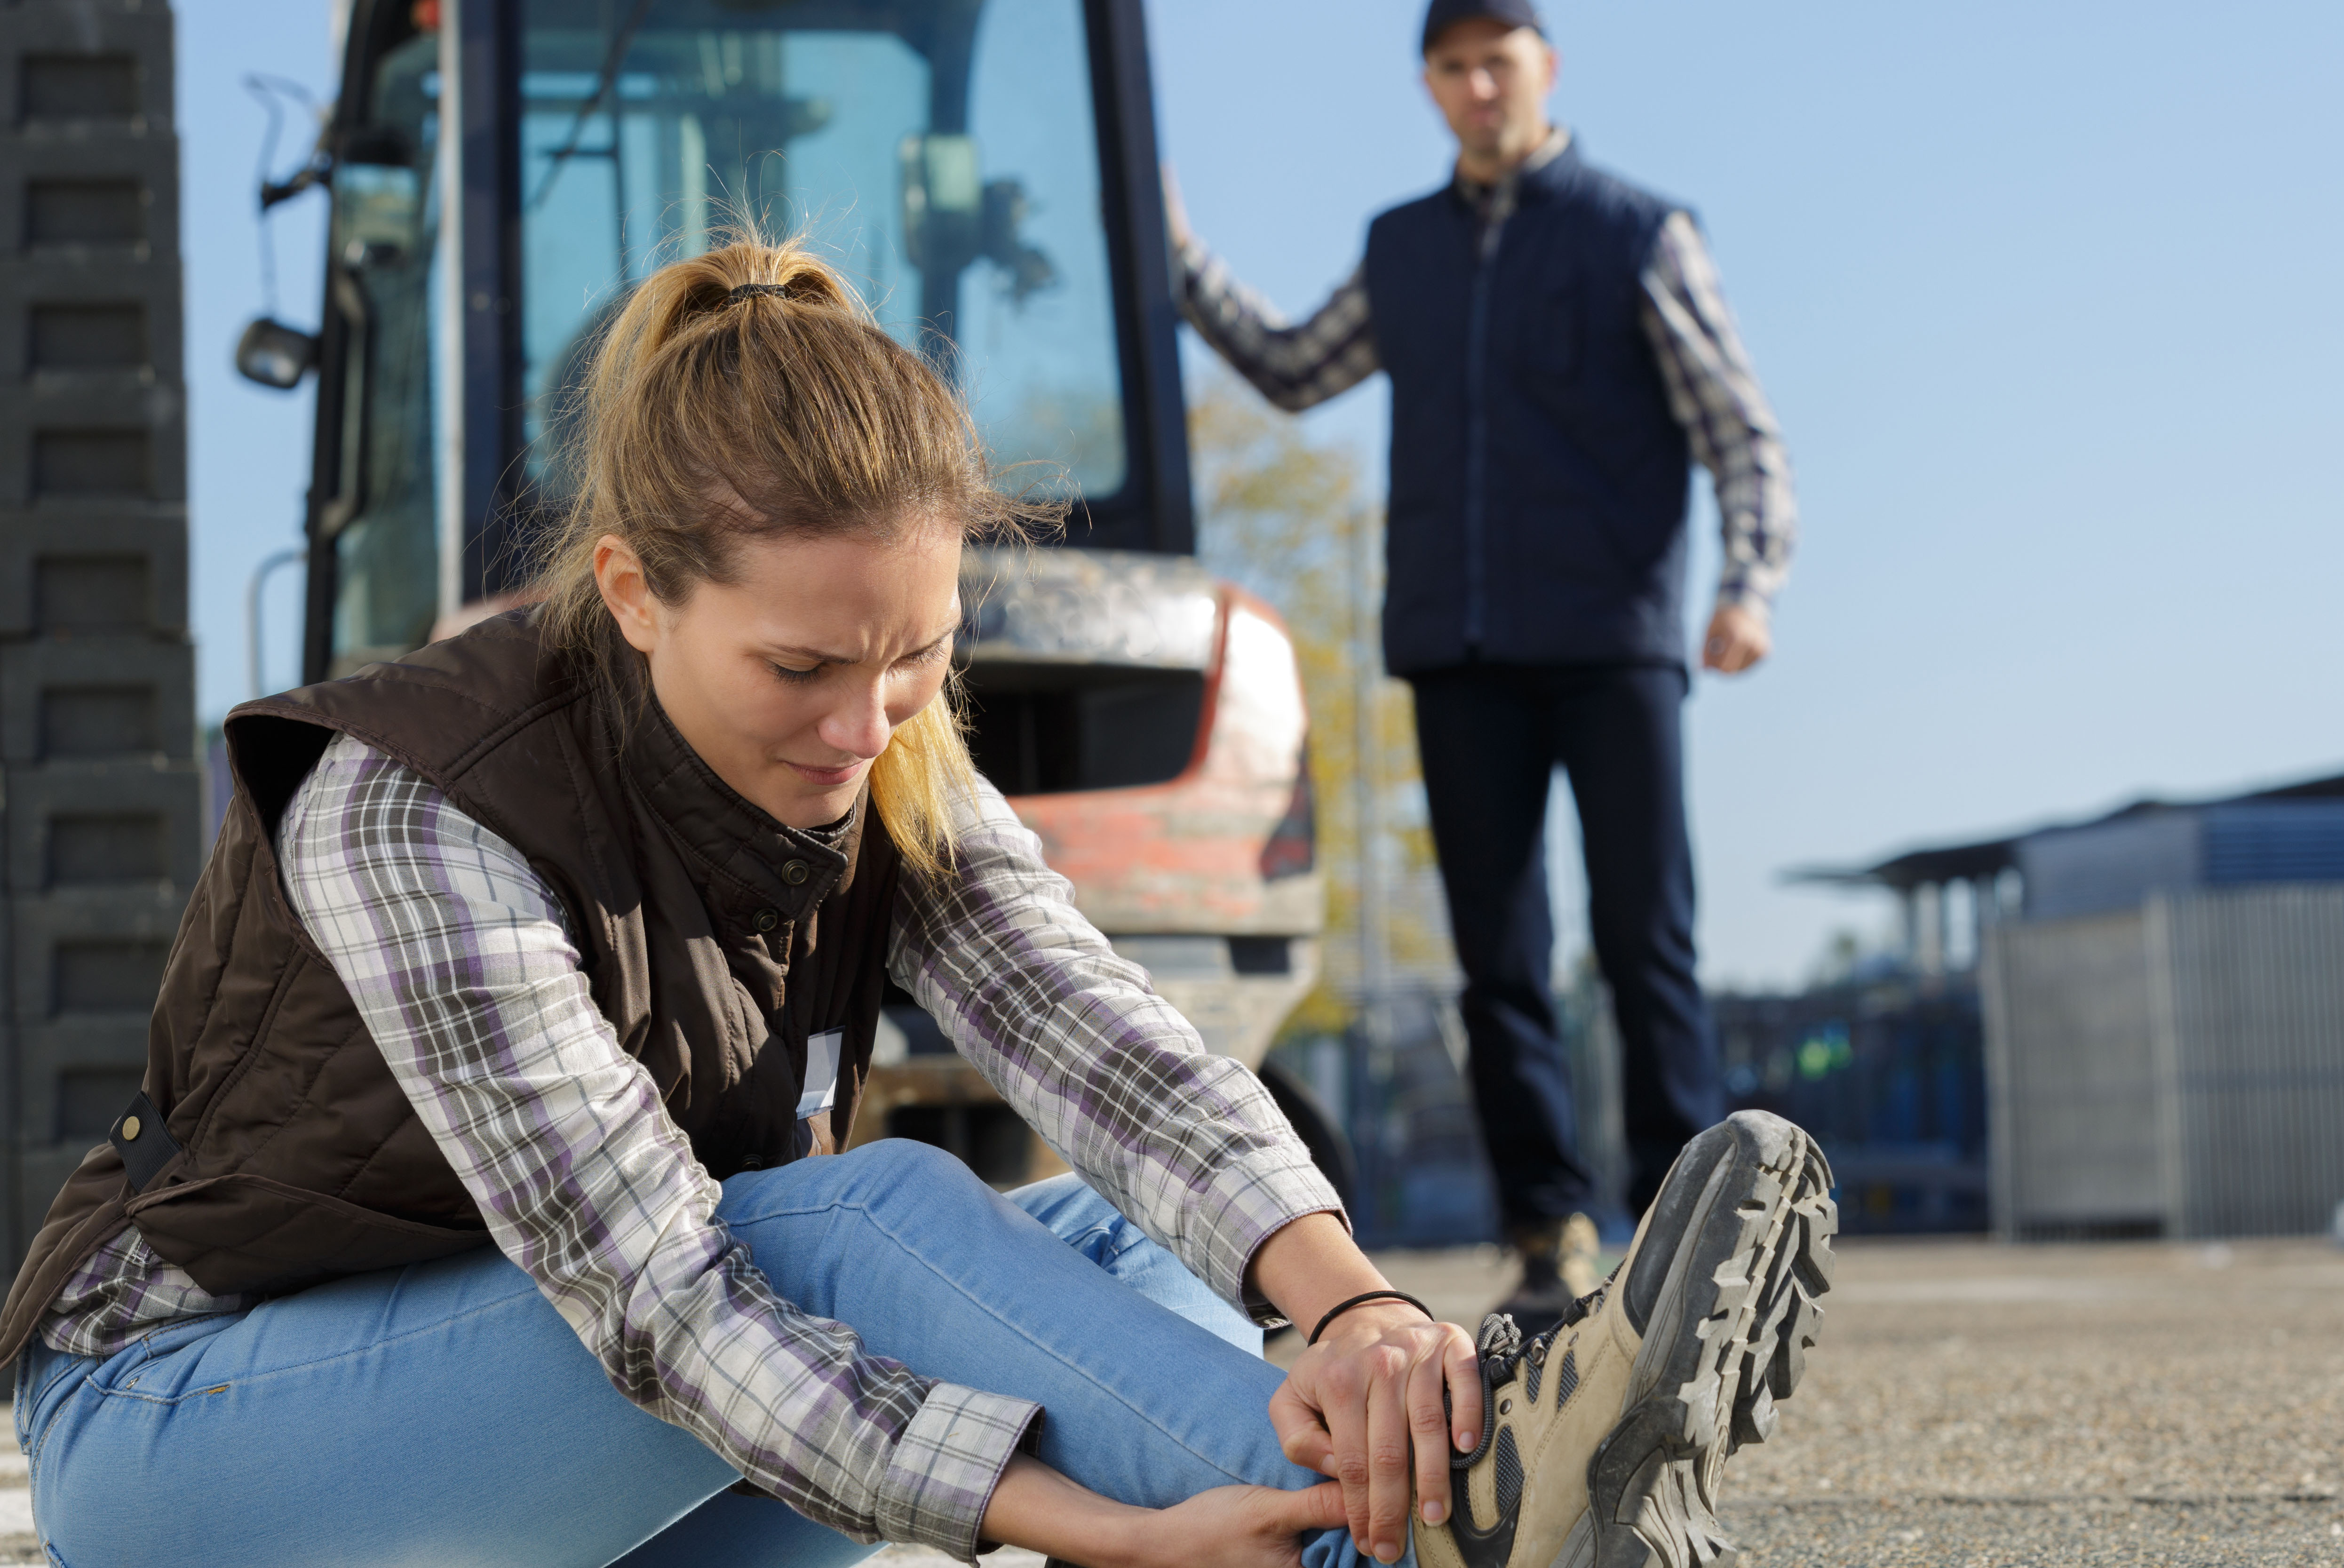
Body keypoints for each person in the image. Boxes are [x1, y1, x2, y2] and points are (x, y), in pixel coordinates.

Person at [0, 238, 1831, 1568]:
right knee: (847, 1224)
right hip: (194, 1436)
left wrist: (1352, 1314)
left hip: (574, 1448)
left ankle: (1407, 1493)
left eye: (913, 660)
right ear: (634, 593)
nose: (860, 723)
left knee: (1096, 1260)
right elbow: (671, 1302)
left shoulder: (882, 758)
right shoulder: (415, 802)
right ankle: (1434, 1536)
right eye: (800, 666)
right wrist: (1102, 1533)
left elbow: (1104, 1046)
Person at [1170, 0, 1797, 1328]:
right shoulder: (1403, 249)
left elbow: (1741, 432)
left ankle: (1697, 1227)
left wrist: (1749, 588)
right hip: (1456, 649)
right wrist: (1169, 249)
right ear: (1430, 87)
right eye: (1449, 70)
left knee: (1646, 944)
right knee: (1498, 962)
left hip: (1614, 641)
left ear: (1544, 70)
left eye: (1494, 64)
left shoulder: (1640, 232)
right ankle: (1545, 1231)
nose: (1474, 89)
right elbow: (1291, 368)